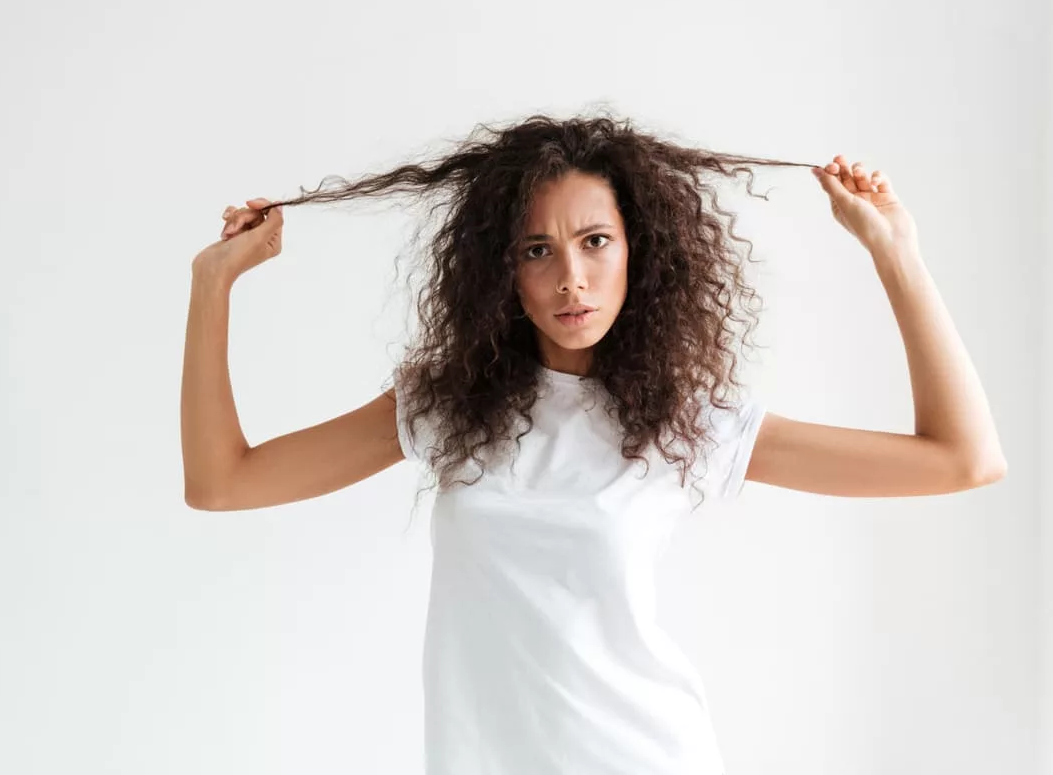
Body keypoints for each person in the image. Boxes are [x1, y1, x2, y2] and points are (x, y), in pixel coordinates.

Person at [179, 113, 1007, 775]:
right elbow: (222, 482)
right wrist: (211, 285)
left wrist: (897, 254)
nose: (570, 276)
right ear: (502, 273)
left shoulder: (687, 424)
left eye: (594, 242)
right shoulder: (445, 408)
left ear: (637, 252)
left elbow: (962, 461)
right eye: (537, 250)